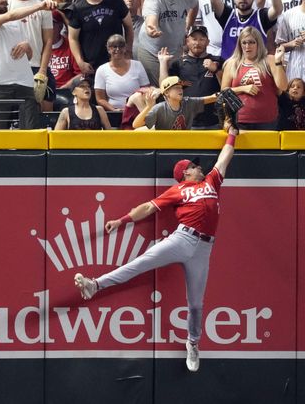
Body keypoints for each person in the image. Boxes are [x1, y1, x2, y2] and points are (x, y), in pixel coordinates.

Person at [73, 123, 241, 373]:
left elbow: (224, 158)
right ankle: (94, 284)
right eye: (193, 166)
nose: (199, 167)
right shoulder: (178, 190)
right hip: (182, 239)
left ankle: (193, 343)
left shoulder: (211, 182)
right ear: (185, 172)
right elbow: (148, 207)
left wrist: (232, 134)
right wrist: (121, 220)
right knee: (139, 263)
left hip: (204, 248)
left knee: (196, 303)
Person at [0, 0, 57, 130]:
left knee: (30, 131)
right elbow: (12, 15)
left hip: (25, 83)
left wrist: (27, 47)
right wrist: (40, 6)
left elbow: (27, 57)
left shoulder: (15, 24)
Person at [137, 0, 199, 84]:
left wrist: (189, 25)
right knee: (158, 89)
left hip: (175, 50)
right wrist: (152, 30)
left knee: (174, 86)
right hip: (151, 51)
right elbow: (151, 20)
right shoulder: (153, 0)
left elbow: (195, 5)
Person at [8, 0, 56, 112]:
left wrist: (42, 70)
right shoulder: (7, 6)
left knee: (45, 113)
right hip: (14, 68)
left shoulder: (43, 6)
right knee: (16, 116)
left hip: (37, 66)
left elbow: (48, 41)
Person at [68, 0, 134, 75]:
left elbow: (129, 27)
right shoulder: (78, 8)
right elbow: (72, 38)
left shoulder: (116, 1)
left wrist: (128, 49)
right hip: (92, 64)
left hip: (117, 58)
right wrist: (80, 61)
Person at [220, 26, 280, 130]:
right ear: (240, 44)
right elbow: (223, 92)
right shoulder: (231, 63)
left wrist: (279, 64)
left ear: (258, 43)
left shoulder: (268, 60)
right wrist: (243, 88)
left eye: (252, 42)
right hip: (240, 119)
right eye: (244, 42)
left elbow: (280, 90)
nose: (248, 46)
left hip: (268, 119)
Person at [133, 75, 218, 130]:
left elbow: (210, 98)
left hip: (184, 143)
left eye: (181, 88)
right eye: (176, 87)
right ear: (166, 93)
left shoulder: (188, 103)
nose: (180, 90)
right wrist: (148, 107)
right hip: (165, 146)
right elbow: (136, 125)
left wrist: (223, 93)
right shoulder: (160, 108)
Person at [93, 33, 150, 112]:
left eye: (121, 46)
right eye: (114, 46)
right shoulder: (101, 70)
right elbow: (100, 99)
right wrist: (114, 110)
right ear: (108, 49)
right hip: (114, 112)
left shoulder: (138, 65)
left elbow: (146, 91)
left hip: (136, 111)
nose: (117, 49)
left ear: (125, 48)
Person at [274, 45, 305, 131]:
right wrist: (279, 63)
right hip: (284, 135)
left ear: (304, 92)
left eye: (298, 87)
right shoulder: (284, 99)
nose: (295, 88)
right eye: (292, 86)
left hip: (300, 136)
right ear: (288, 90)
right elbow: (279, 86)